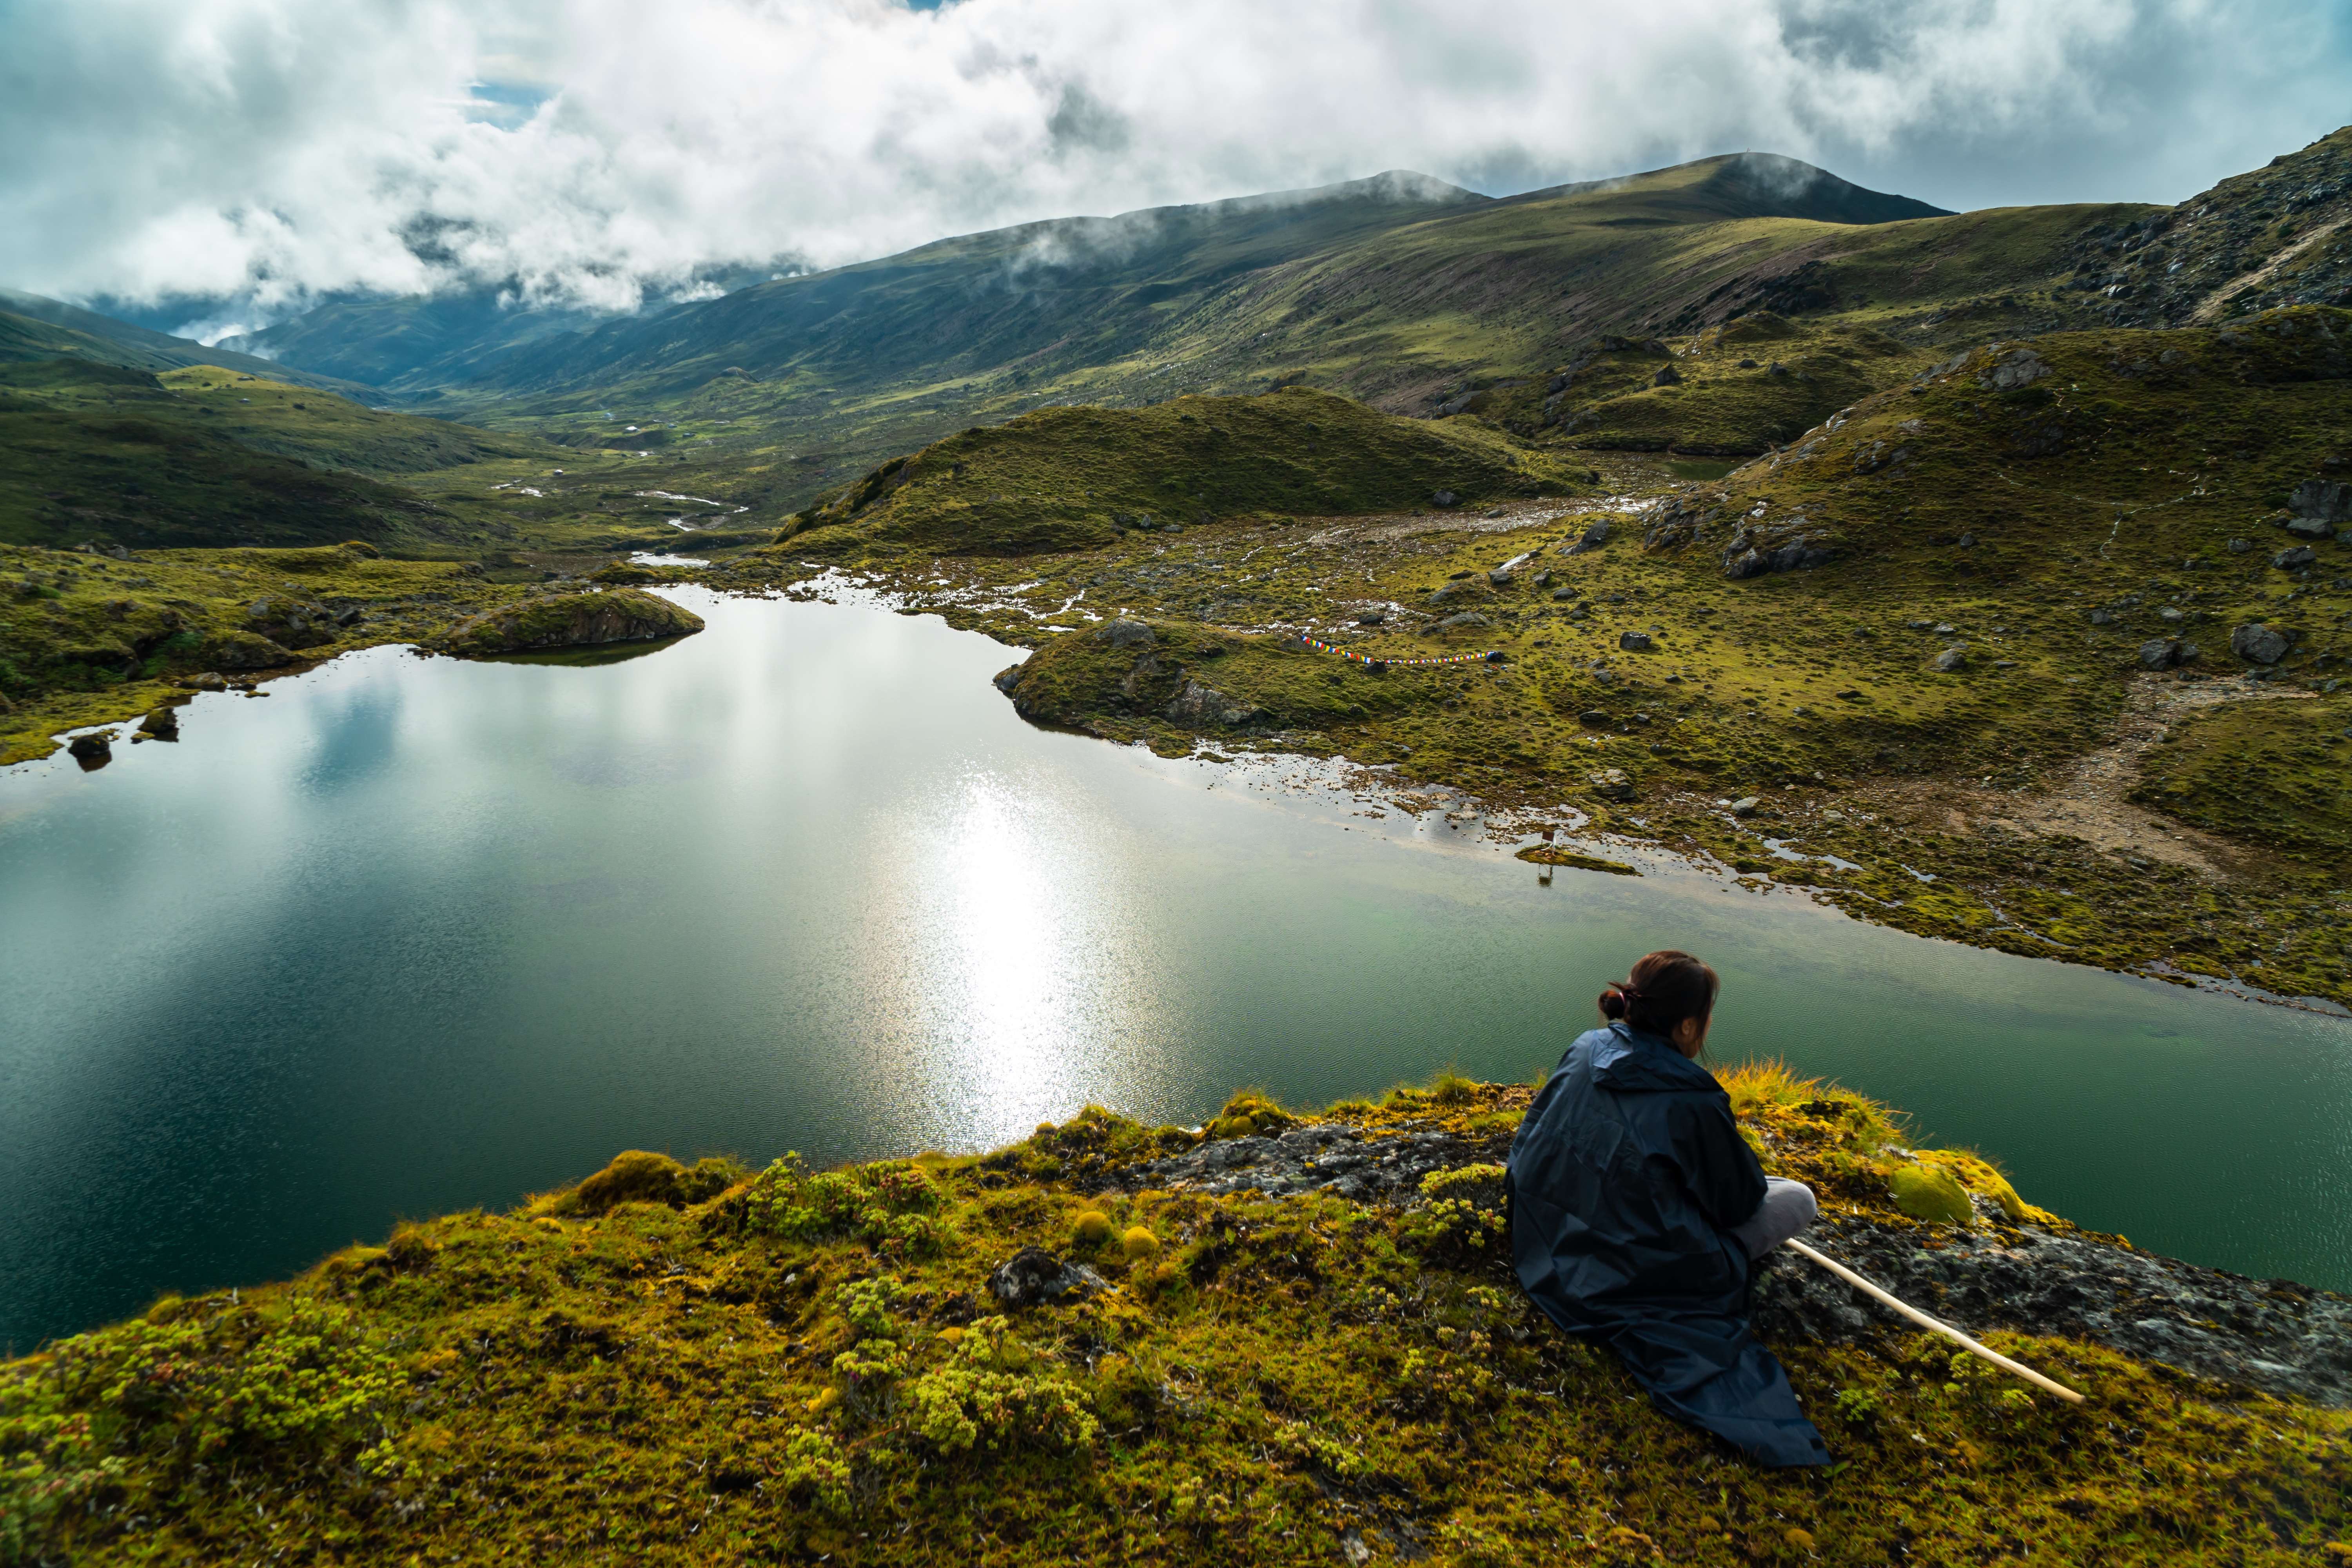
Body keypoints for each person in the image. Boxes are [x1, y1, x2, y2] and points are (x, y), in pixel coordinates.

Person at [1505, 950, 1828, 1467]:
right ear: (1686, 1026)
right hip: (1641, 1266)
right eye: (1706, 1016)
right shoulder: (1692, 1099)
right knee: (1797, 1198)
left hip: (1548, 1228)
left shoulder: (1587, 1046)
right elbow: (1738, 1203)